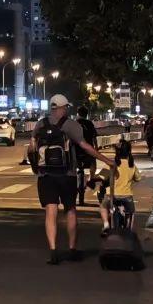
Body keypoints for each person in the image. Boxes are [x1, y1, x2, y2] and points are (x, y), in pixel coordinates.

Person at [29, 94, 115, 265]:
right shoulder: (71, 125)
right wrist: (106, 160)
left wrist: (35, 168)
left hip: (45, 175)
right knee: (70, 210)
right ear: (63, 107)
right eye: (66, 107)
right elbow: (85, 146)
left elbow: (32, 148)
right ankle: (72, 249)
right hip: (67, 175)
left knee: (50, 212)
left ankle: (53, 251)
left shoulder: (40, 124)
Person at [97, 139, 142, 235]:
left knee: (103, 206)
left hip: (111, 196)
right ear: (129, 152)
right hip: (127, 196)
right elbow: (138, 178)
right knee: (131, 212)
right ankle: (129, 229)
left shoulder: (111, 164)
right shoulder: (132, 165)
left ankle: (106, 224)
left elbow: (101, 177)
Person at [75, 106, 98, 205]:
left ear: (78, 113)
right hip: (88, 150)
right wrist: (96, 148)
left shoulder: (74, 123)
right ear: (86, 114)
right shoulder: (89, 123)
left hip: (75, 151)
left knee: (71, 168)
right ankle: (92, 179)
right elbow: (94, 137)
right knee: (93, 163)